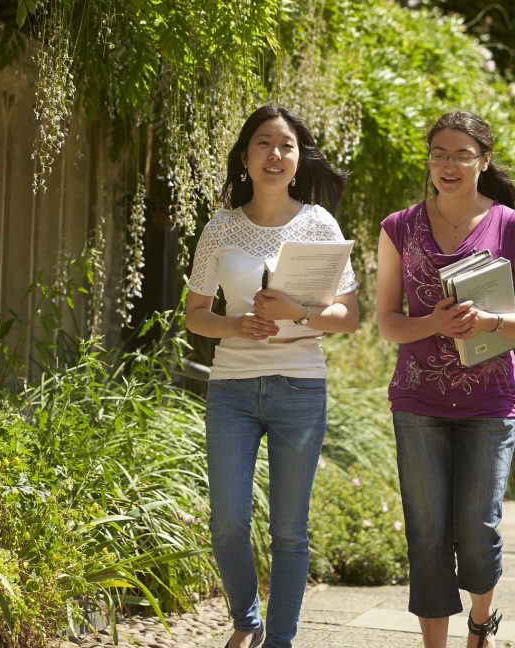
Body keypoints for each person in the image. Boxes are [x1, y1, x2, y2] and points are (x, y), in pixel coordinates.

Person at [375, 110, 515, 648]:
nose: (448, 165)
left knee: (478, 530)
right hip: (417, 399)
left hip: (492, 403)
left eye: (461, 154)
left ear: (484, 160)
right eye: (438, 154)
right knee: (427, 532)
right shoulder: (398, 226)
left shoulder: (512, 226)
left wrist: (492, 322)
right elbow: (387, 321)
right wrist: (433, 321)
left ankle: (481, 619)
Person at [184, 105, 359, 648]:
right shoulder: (220, 227)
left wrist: (296, 314)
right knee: (228, 521)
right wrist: (236, 324)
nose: (275, 155)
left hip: (300, 386)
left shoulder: (319, 225)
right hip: (231, 389)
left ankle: (280, 639)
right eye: (264, 143)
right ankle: (246, 620)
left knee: (288, 528)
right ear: (245, 157)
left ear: (298, 157)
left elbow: (348, 317)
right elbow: (194, 314)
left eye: (285, 145)